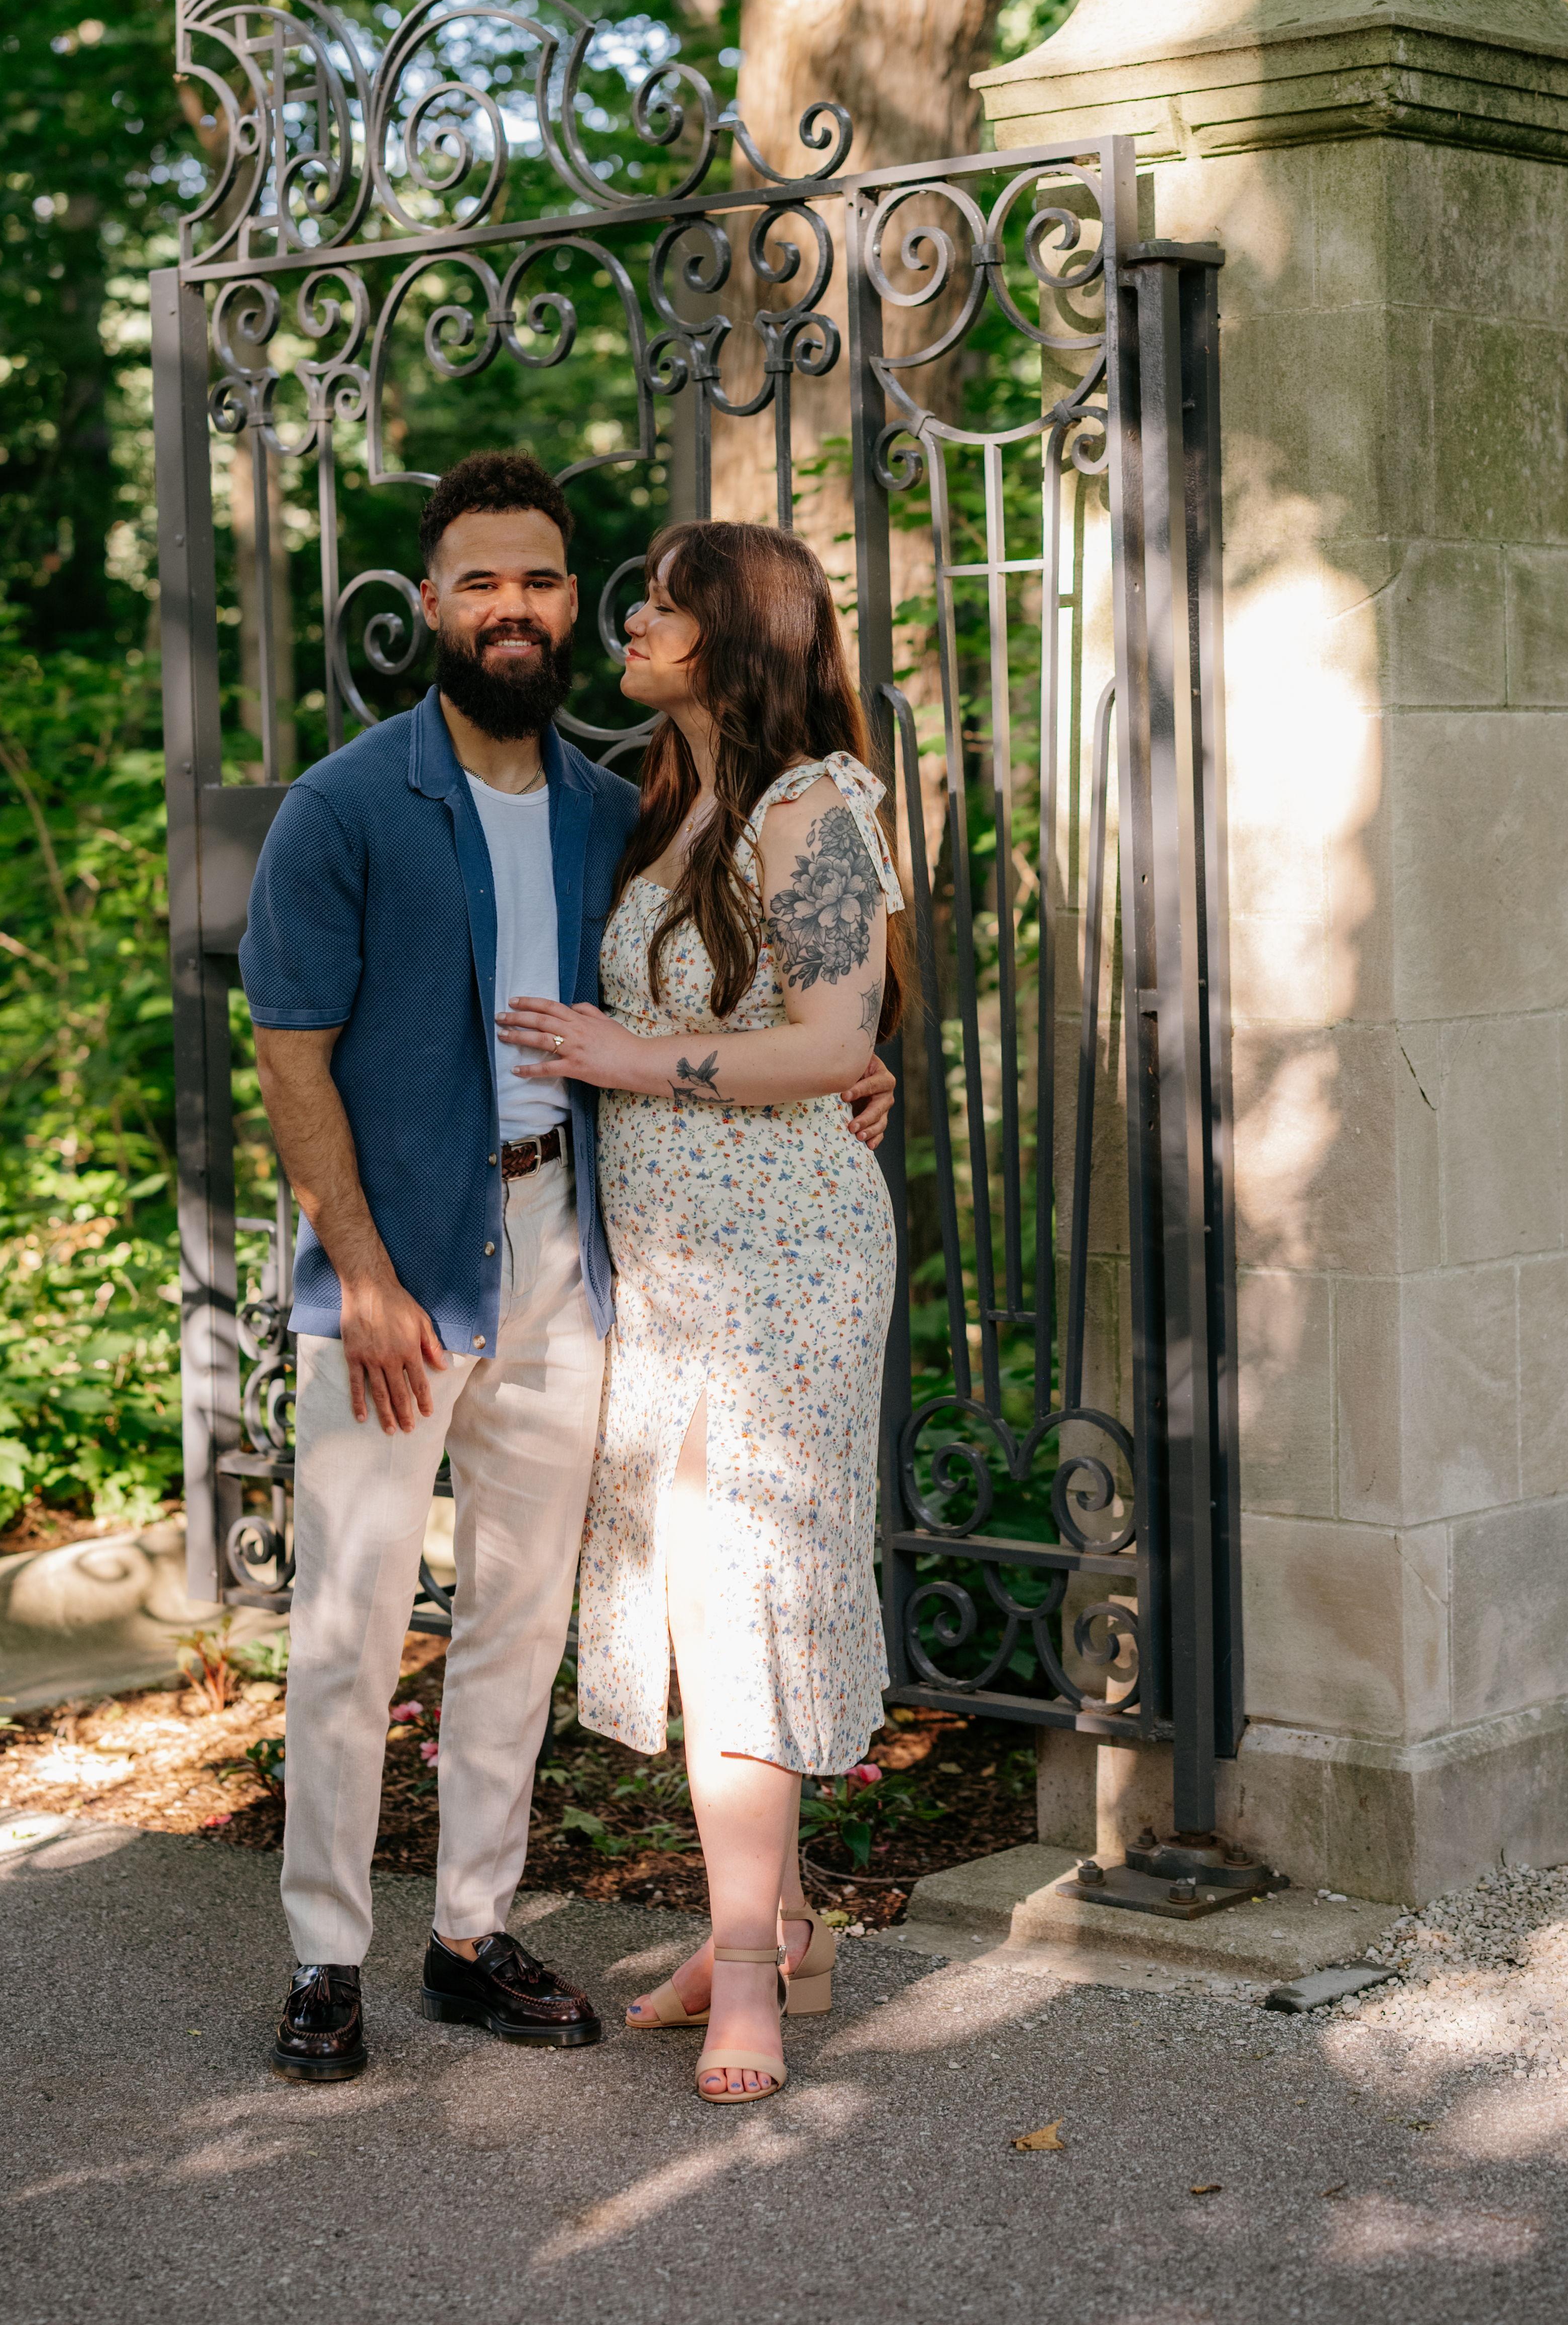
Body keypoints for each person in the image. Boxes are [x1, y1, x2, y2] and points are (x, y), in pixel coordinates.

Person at [237, 454, 895, 2085]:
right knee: (348, 1618)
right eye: (483, 583)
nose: (519, 610)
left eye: (544, 581)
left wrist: (849, 1070)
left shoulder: (631, 804)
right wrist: (363, 1273)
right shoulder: (345, 805)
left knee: (520, 1617)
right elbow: (288, 1051)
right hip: (401, 1276)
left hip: (580, 1264)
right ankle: (327, 1957)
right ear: (428, 604)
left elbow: (763, 994)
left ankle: (471, 1931)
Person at [499, 520, 909, 2106]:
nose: (635, 616)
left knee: (740, 1589)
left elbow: (826, 1043)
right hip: (670, 1262)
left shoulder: (810, 806)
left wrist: (623, 1059)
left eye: (667, 601)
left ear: (736, 633)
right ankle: (784, 1927)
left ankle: (747, 1970)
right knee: (700, 1593)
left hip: (784, 1259)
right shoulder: (675, 802)